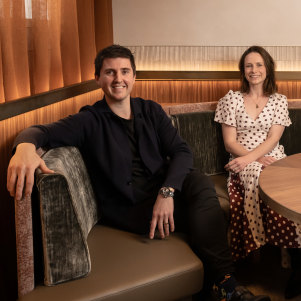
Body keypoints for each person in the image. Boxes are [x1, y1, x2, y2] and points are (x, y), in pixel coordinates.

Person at [7, 44, 270, 301]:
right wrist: (24, 149)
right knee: (205, 213)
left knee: (200, 183)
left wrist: (167, 192)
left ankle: (221, 286)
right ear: (97, 78)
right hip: (130, 205)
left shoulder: (150, 109)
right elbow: (40, 132)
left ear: (134, 76)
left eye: (124, 71)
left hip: (163, 188)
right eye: (110, 72)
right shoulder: (89, 120)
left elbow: (182, 151)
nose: (118, 78)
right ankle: (226, 286)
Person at [214, 45, 301, 299]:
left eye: (259, 65)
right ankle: (263, 245)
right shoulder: (230, 99)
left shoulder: (278, 100)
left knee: (291, 186)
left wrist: (262, 158)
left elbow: (274, 138)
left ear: (268, 69)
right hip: (242, 159)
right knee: (255, 175)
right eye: (249, 65)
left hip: (272, 155)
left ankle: (297, 262)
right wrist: (251, 159)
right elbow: (230, 142)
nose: (254, 70)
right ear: (243, 70)